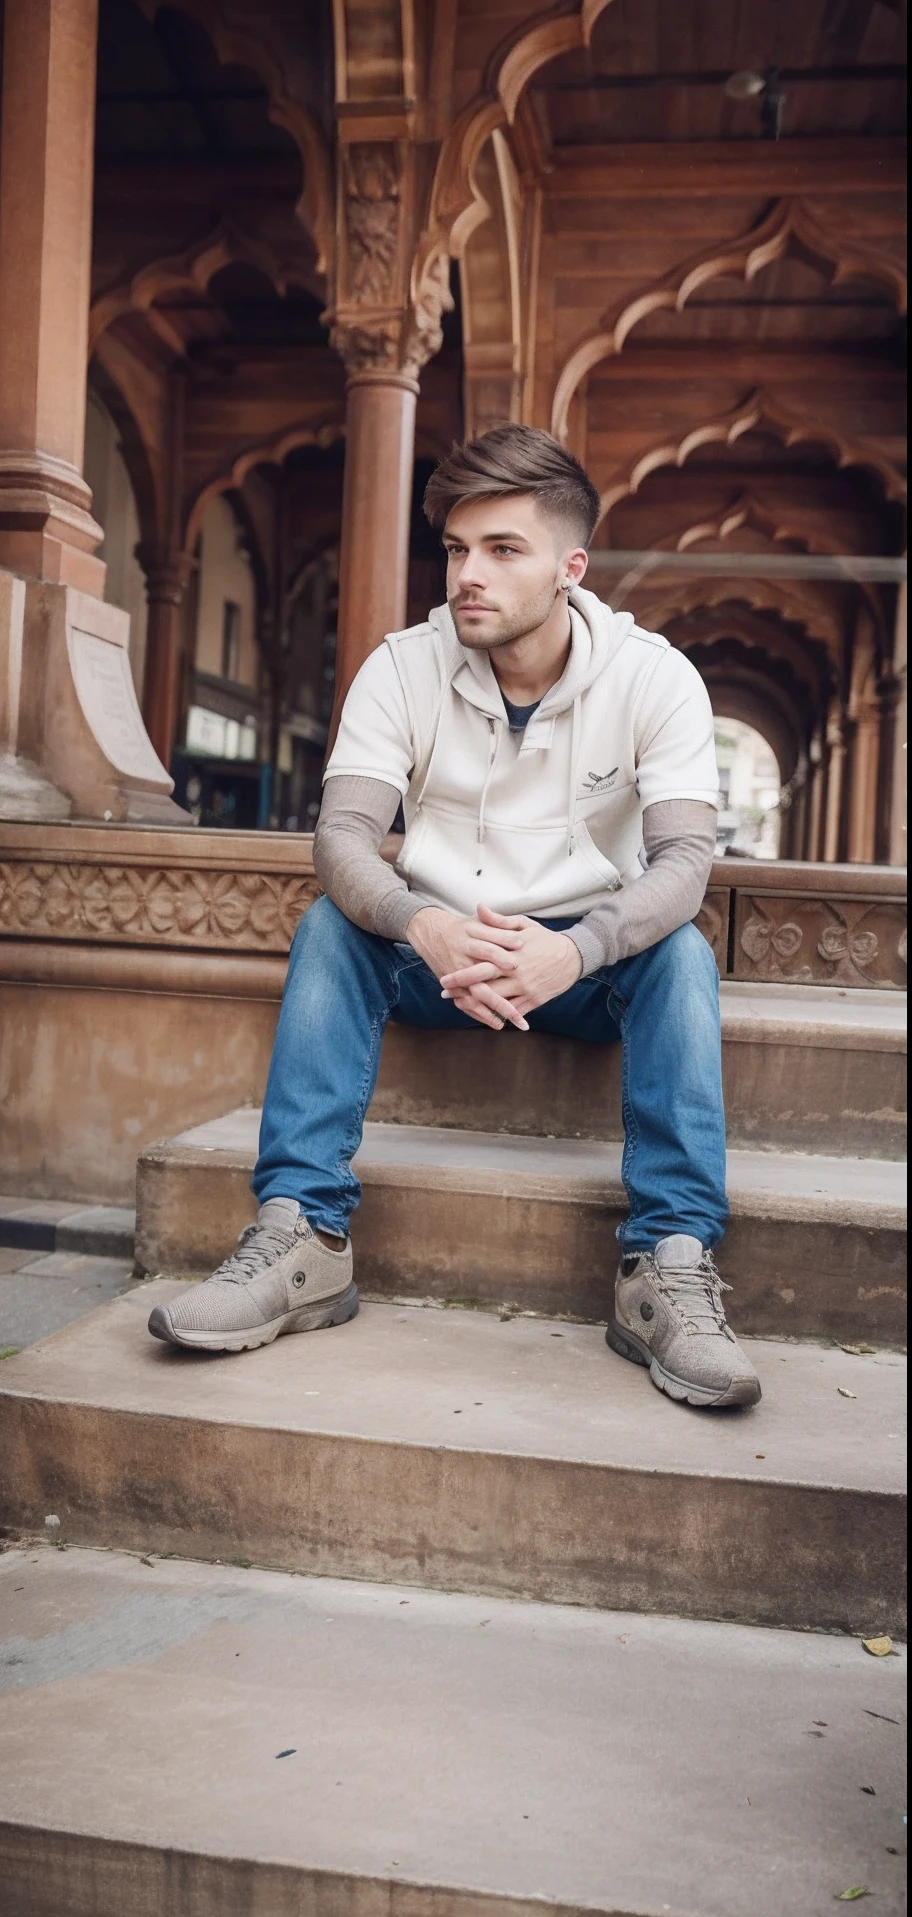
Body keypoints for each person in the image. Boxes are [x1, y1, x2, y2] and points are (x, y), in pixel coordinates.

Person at [149, 425, 760, 1410]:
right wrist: (416, 920)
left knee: (680, 954)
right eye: (457, 548)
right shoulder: (403, 665)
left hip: (582, 962)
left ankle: (667, 1266)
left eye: (502, 550)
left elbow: (687, 859)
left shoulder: (655, 676)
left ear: (570, 566)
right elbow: (343, 837)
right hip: (432, 944)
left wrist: (579, 947)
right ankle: (302, 1233)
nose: (468, 574)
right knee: (329, 926)